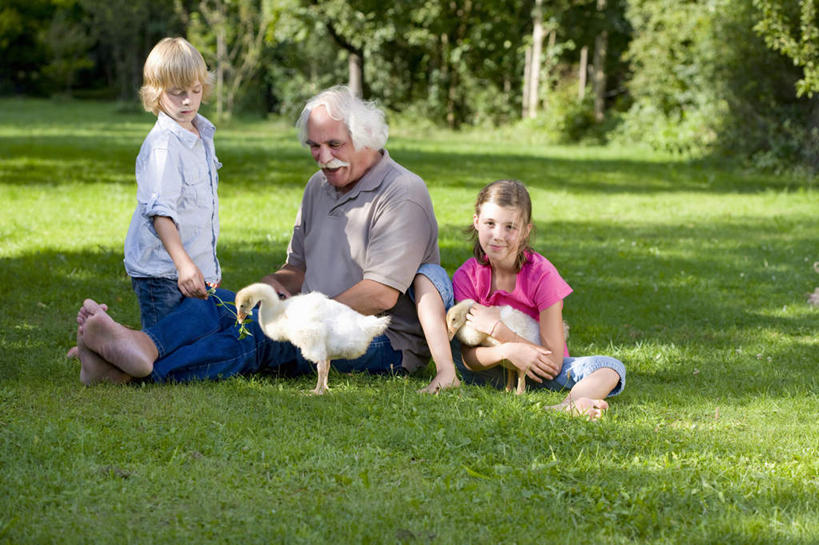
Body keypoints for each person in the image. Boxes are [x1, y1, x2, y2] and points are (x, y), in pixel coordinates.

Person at [74, 86, 459, 393]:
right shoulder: (319, 186)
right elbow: (296, 269)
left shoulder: (403, 192)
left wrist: (300, 315)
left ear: (368, 138)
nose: (323, 157)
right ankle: (144, 346)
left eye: (334, 145)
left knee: (263, 336)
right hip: (316, 314)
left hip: (379, 337)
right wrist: (271, 288)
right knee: (221, 305)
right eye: (314, 146)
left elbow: (380, 295)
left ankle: (134, 373)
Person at [452, 179, 625, 419]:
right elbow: (468, 358)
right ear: (476, 222)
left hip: (540, 371)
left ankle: (572, 403)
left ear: (525, 231)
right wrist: (506, 352)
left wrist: (501, 332)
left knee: (610, 367)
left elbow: (553, 361)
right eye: (490, 223)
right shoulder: (466, 276)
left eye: (510, 227)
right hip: (488, 369)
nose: (498, 235)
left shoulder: (542, 275)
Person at [124, 37, 221, 329]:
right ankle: (101, 346)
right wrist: (184, 265)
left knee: (198, 342)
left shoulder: (200, 134)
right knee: (166, 359)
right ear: (155, 94)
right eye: (177, 93)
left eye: (196, 90)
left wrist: (202, 268)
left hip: (195, 271)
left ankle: (113, 344)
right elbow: (160, 212)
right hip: (163, 274)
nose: (189, 100)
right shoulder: (164, 146)